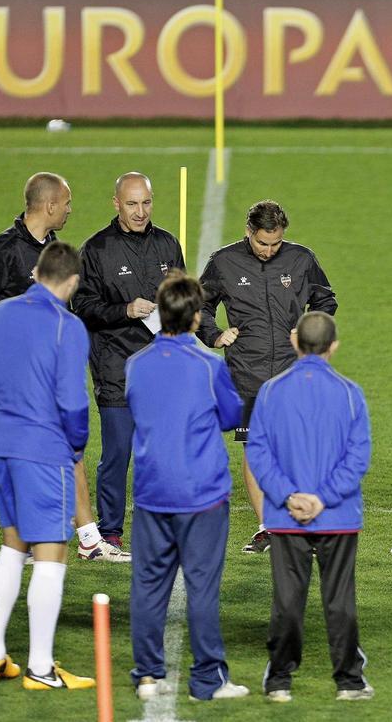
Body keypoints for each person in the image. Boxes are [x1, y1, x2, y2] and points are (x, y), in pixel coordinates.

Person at [0, 173, 120, 562]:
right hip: (20, 382)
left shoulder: (50, 247)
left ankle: (86, 537)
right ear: (50, 205)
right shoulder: (0, 252)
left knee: (70, 451)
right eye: (67, 202)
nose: (70, 209)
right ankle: (65, 538)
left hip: (44, 370)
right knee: (64, 447)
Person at [0, 241, 95, 690]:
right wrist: (75, 445)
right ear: (73, 282)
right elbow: (72, 401)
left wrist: (4, 422)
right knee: (50, 554)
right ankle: (41, 668)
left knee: (12, 545)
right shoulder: (68, 326)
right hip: (44, 450)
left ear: (37, 272)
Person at [125, 272, 248, 702]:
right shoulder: (209, 365)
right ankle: (207, 681)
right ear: (197, 318)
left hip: (151, 492)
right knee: (201, 588)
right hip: (201, 495)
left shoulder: (135, 364)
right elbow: (233, 416)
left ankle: (147, 675)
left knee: (148, 585)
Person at [246, 311, 373, 702]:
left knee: (287, 602)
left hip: (286, 518)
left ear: (294, 342)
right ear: (333, 346)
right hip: (337, 516)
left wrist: (289, 496)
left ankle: (279, 682)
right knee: (340, 602)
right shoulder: (350, 393)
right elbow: (358, 457)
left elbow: (258, 453)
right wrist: (322, 498)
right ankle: (349, 683)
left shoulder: (270, 391)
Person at [198, 200, 337, 554]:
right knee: (255, 450)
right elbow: (200, 305)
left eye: (275, 244)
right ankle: (268, 528)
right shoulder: (224, 262)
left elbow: (325, 299)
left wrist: (308, 334)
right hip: (246, 372)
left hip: (294, 373)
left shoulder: (301, 259)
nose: (269, 250)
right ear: (249, 232)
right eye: (262, 243)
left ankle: (304, 522)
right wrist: (214, 335)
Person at [74, 172, 184, 549]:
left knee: (163, 452)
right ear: (116, 203)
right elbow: (83, 305)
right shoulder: (96, 249)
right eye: (132, 204)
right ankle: (111, 531)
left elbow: (183, 299)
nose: (140, 211)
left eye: (146, 203)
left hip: (162, 368)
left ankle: (165, 525)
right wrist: (126, 309)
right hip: (115, 364)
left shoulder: (168, 244)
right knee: (118, 454)